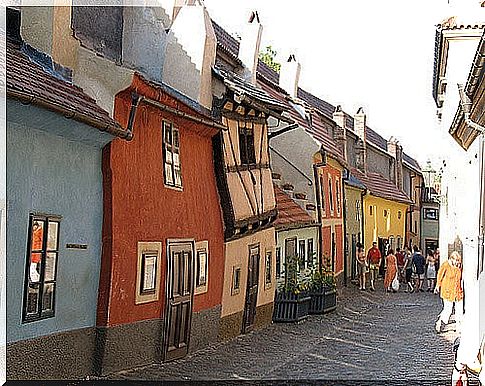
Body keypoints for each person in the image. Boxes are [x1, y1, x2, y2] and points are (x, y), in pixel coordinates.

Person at [435, 251, 464, 334]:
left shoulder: (459, 266)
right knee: (448, 310)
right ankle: (440, 322)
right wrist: (438, 286)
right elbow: (440, 275)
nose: (457, 263)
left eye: (458, 261)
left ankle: (459, 327)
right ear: (452, 259)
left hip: (458, 291)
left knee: (459, 310)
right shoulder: (446, 265)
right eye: (456, 261)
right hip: (447, 291)